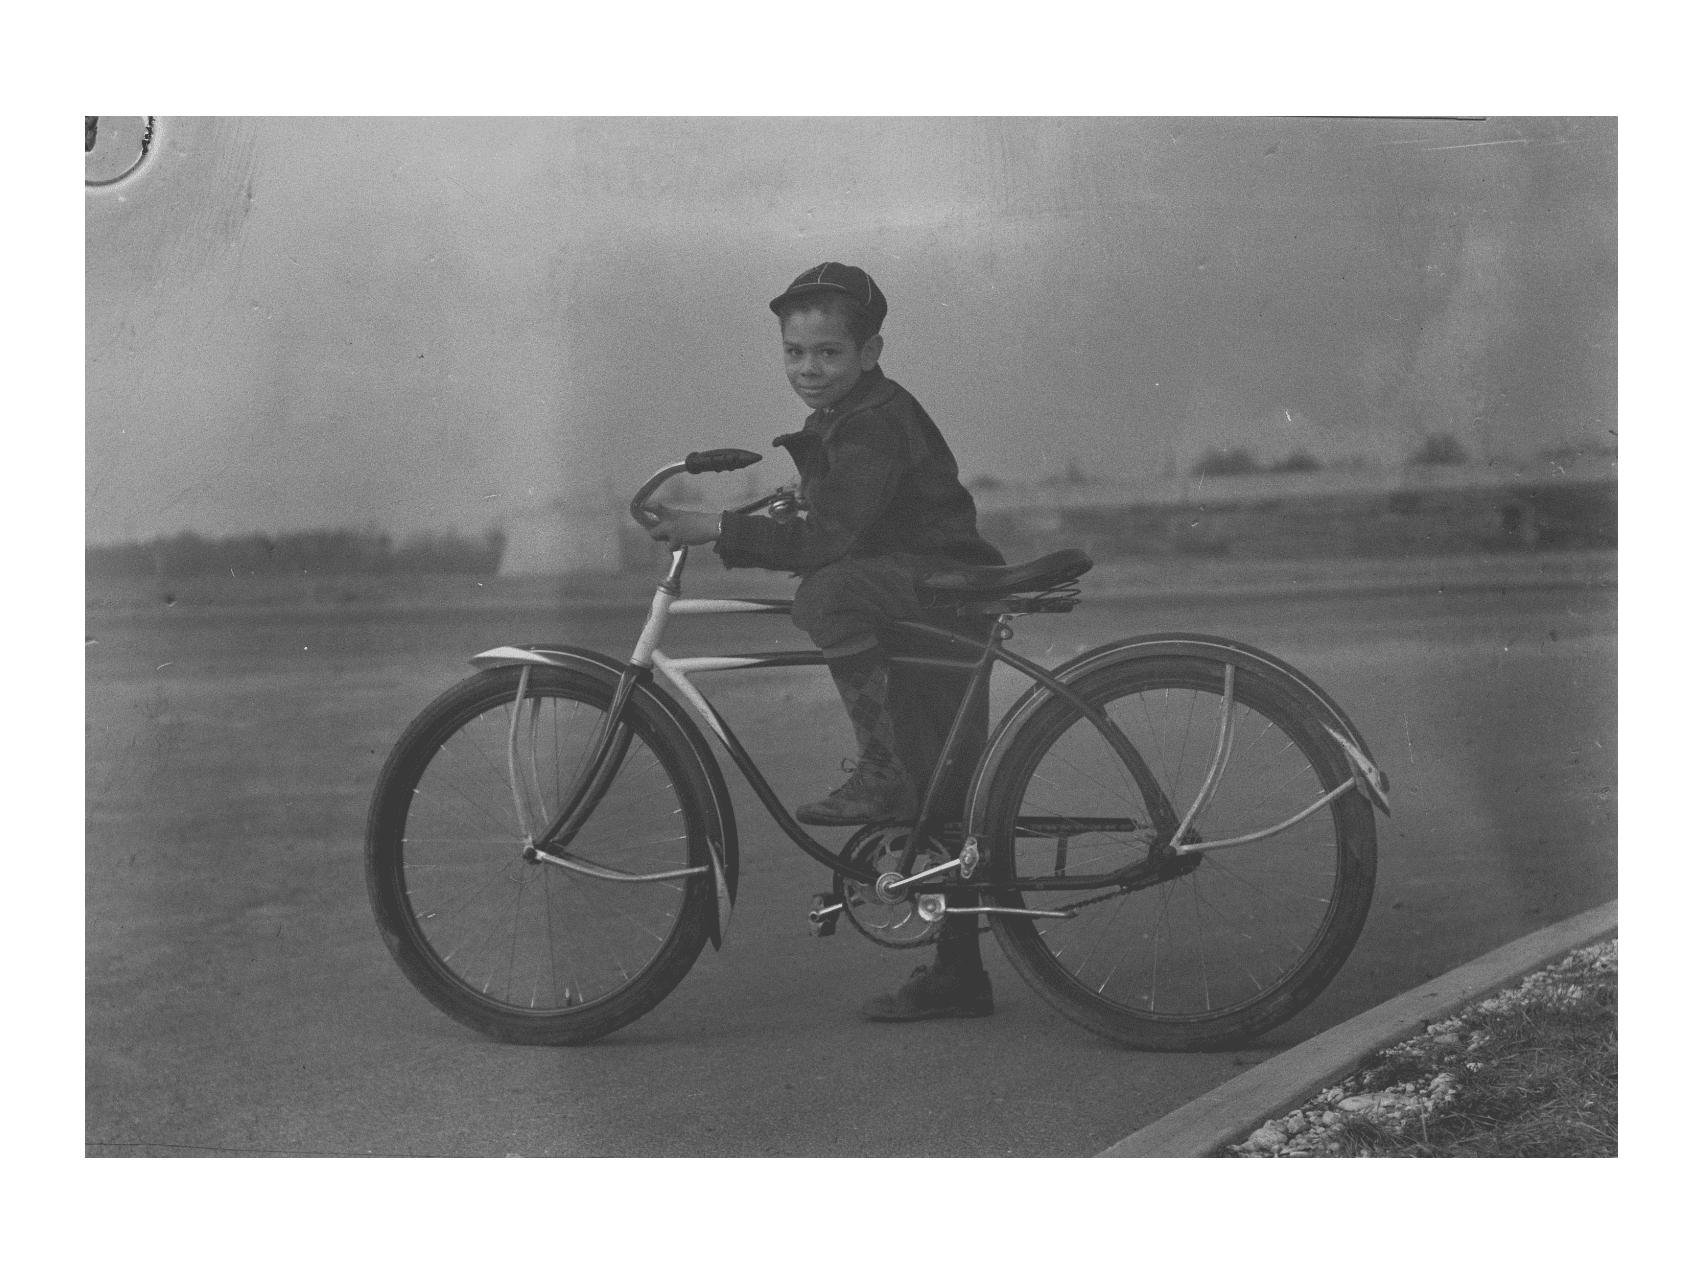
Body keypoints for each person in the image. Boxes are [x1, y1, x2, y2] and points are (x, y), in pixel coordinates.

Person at [643, 262, 1005, 1022]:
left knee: (830, 594)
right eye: (794, 353)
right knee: (943, 794)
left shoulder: (872, 421)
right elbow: (832, 514)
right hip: (919, 599)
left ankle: (878, 767)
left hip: (937, 594)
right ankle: (960, 974)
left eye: (828, 353)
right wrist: (755, 519)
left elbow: (832, 535)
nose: (808, 369)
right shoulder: (848, 417)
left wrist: (714, 528)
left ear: (869, 353)